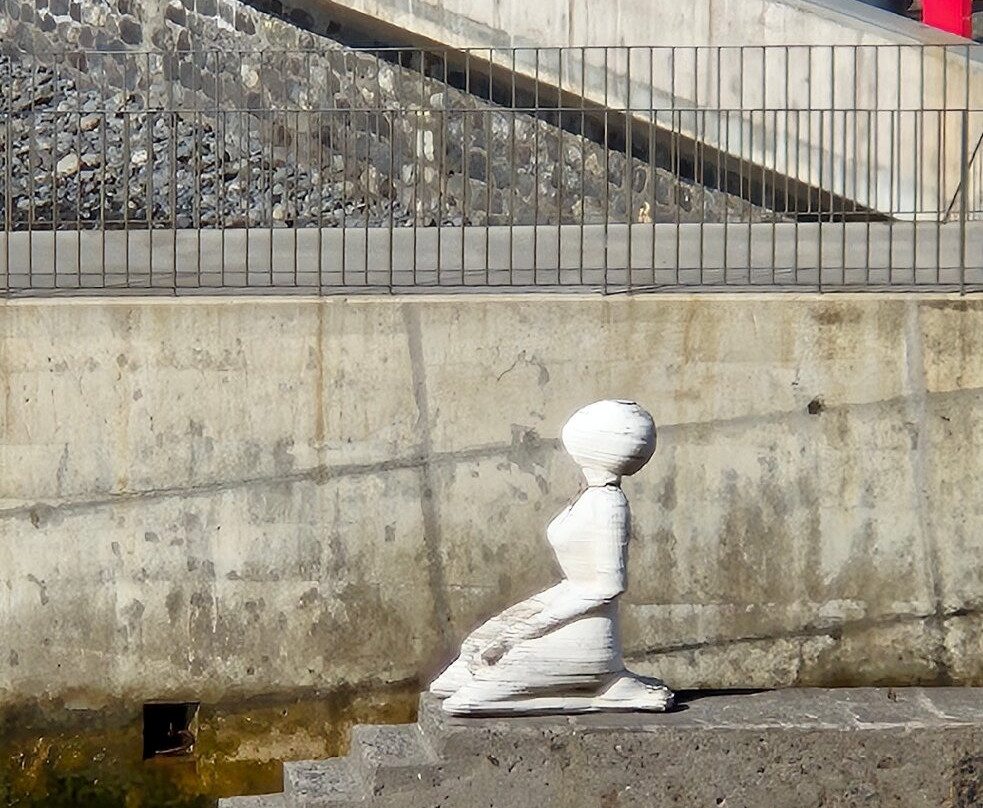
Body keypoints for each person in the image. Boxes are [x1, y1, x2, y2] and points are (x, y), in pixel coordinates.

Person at [430, 400, 674, 715]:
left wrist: (530, 628)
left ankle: (598, 693)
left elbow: (607, 587)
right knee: (462, 666)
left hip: (587, 633)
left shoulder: (609, 505)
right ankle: (609, 684)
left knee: (466, 702)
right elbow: (574, 582)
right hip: (566, 603)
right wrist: (519, 618)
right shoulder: (592, 496)